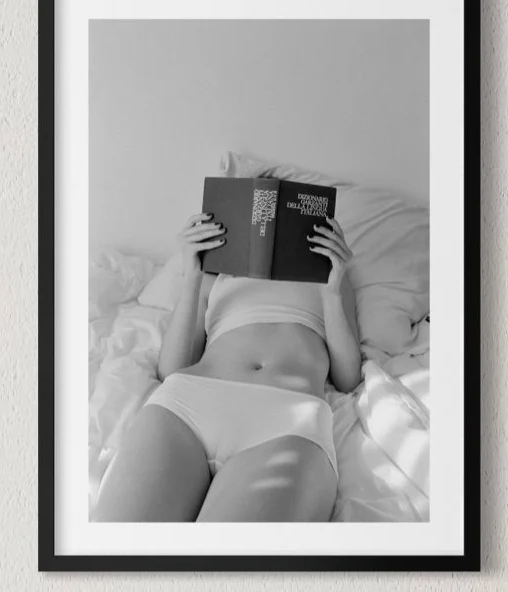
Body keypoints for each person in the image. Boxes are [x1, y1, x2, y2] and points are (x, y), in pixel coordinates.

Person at [92, 206, 360, 521]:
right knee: (119, 550)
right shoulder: (216, 273)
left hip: (286, 419)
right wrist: (192, 276)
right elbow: (171, 369)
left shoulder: (332, 277)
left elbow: (348, 378)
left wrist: (332, 292)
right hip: (187, 406)